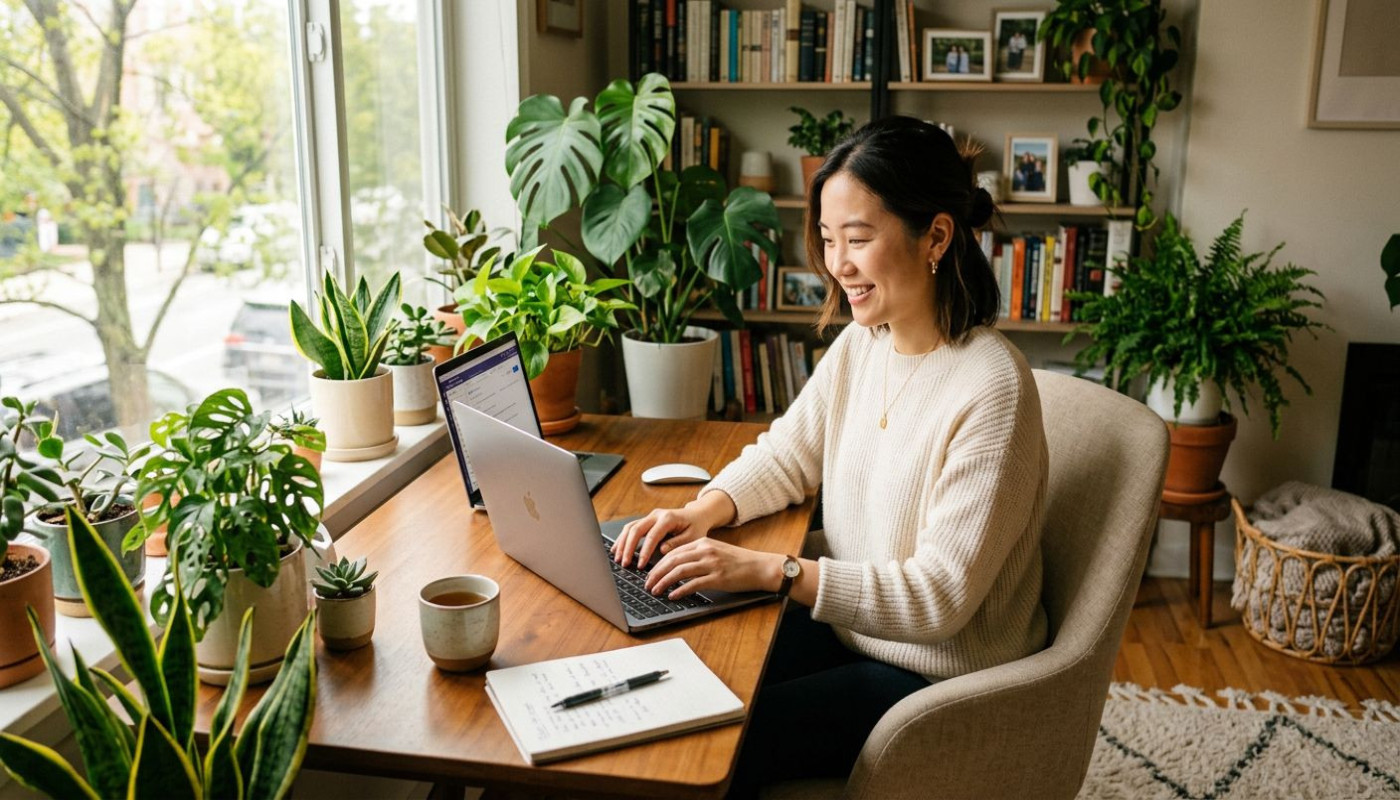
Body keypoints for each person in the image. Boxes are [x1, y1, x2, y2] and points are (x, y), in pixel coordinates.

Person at [610, 116, 1049, 798]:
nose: (836, 263)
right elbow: (792, 451)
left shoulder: (992, 387)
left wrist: (772, 570)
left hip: (942, 676)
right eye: (826, 238)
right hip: (856, 631)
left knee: (717, 741)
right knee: (687, 671)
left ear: (935, 236)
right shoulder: (862, 343)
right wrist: (703, 510)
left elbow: (941, 600)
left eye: (859, 239)